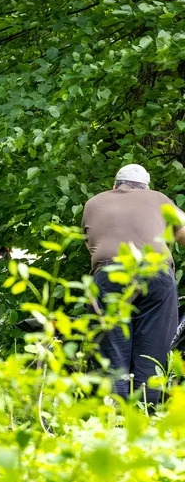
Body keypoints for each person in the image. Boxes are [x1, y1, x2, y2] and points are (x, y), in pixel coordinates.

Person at [82, 163, 185, 407]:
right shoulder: (160, 199)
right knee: (152, 355)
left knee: (111, 353)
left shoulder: (94, 203)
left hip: (110, 273)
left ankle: (114, 424)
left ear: (115, 186)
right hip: (155, 274)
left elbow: (91, 243)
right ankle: (146, 420)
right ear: (146, 187)